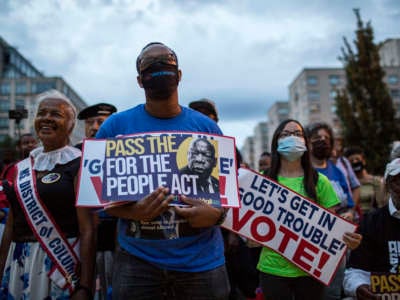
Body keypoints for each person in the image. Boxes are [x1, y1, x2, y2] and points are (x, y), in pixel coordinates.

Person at [96, 42, 229, 299]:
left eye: (166, 60)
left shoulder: (207, 129)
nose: (158, 66)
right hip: (138, 262)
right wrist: (133, 212)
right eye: (148, 63)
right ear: (139, 80)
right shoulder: (114, 128)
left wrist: (216, 216)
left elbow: (229, 197)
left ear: (178, 74)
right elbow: (97, 196)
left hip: (202, 263)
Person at [0, 89, 96, 299]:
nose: (46, 119)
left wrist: (85, 286)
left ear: (71, 125)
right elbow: (10, 225)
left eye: (56, 114)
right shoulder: (20, 168)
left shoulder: (81, 163)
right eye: (42, 113)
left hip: (59, 264)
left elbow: (88, 229)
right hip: (19, 260)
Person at [257, 119, 361, 300]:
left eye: (297, 134)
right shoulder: (262, 180)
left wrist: (348, 239)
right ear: (276, 142)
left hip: (309, 270)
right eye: (285, 134)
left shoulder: (321, 182)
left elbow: (331, 228)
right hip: (272, 268)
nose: (292, 138)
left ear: (306, 142)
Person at [305, 121, 356, 300]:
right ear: (307, 143)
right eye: (317, 138)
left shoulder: (337, 171)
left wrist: (349, 213)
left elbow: (349, 203)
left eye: (326, 138)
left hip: (336, 242)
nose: (323, 141)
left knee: (333, 292)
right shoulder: (303, 173)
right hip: (311, 241)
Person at [343, 157, 400, 299]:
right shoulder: (370, 222)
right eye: (397, 181)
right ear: (388, 185)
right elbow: (354, 272)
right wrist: (360, 287)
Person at [76, 102, 117, 300]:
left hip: (115, 240)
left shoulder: (126, 151)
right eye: (89, 122)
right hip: (81, 240)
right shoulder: (74, 154)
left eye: (100, 122)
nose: (94, 127)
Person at [344, 146, 385, 216]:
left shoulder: (375, 181)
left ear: (364, 161)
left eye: (357, 159)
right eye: (351, 161)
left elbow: (382, 205)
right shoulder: (346, 183)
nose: (355, 162)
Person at [331, 137, 361, 217]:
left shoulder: (344, 162)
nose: (337, 146)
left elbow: (356, 187)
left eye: (339, 144)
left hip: (347, 214)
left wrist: (351, 211)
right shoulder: (318, 164)